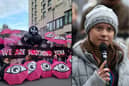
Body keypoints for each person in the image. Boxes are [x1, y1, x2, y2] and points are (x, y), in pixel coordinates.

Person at [72, 5, 129, 86]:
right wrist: (95, 82)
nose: (104, 34)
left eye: (109, 29)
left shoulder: (123, 59)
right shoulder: (73, 63)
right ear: (88, 31)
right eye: (99, 28)